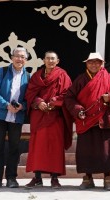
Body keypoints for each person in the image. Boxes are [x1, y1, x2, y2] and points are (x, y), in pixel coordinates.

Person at [64, 52, 110, 191]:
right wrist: (78, 110)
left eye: (97, 62)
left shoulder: (108, 78)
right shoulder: (80, 80)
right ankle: (87, 178)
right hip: (86, 120)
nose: (94, 64)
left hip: (105, 119)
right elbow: (69, 98)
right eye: (91, 62)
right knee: (86, 151)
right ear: (86, 64)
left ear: (102, 64)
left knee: (107, 151)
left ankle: (107, 178)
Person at [24, 51, 73, 189]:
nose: (50, 61)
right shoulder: (36, 76)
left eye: (53, 59)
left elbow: (67, 94)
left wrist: (53, 102)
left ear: (58, 61)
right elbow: (30, 93)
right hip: (38, 115)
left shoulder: (63, 75)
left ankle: (54, 178)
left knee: (55, 147)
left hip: (55, 116)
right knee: (37, 147)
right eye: (48, 59)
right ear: (43, 60)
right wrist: (39, 102)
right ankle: (37, 177)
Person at [0, 47, 30, 189]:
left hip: (16, 117)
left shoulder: (28, 76)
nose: (20, 59)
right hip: (0, 114)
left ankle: (12, 178)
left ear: (26, 59)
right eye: (17, 56)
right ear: (11, 57)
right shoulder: (2, 71)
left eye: (23, 57)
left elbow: (30, 97)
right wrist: (5, 105)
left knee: (14, 147)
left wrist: (22, 106)